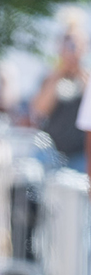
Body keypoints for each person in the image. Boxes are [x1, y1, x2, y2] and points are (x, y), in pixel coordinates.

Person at [32, 23, 88, 172]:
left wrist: (80, 73)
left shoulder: (86, 78)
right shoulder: (50, 77)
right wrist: (60, 72)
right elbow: (39, 109)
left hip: (80, 154)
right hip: (50, 152)